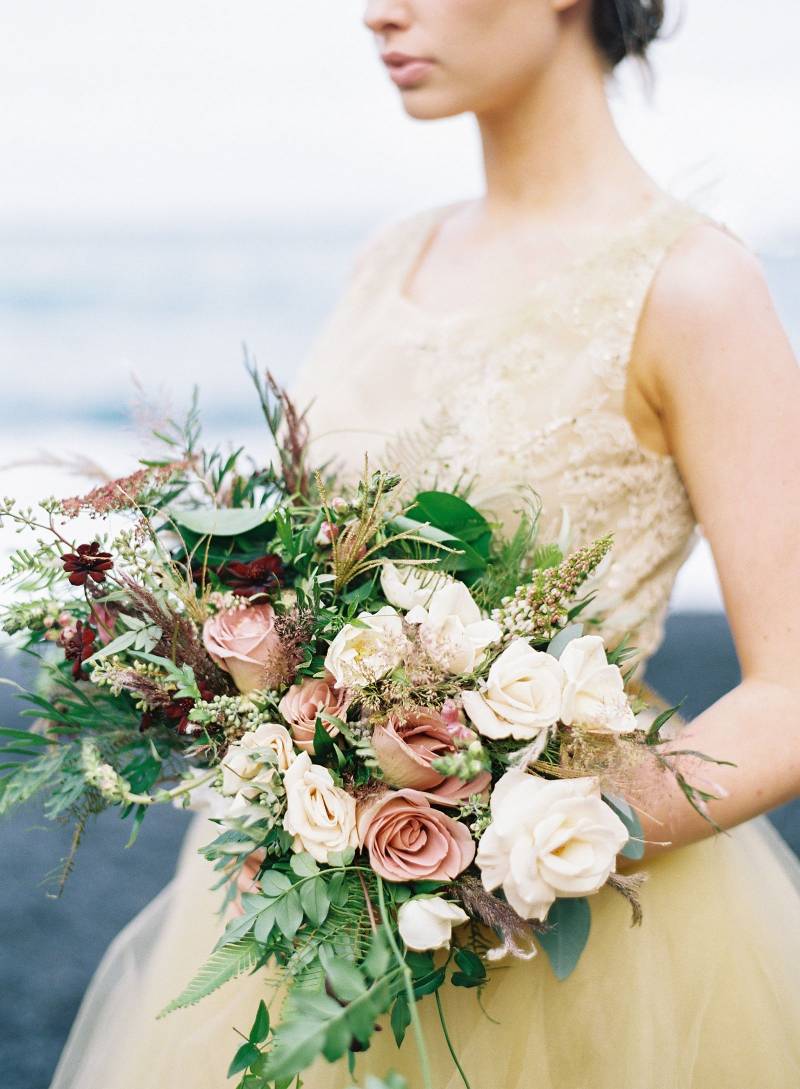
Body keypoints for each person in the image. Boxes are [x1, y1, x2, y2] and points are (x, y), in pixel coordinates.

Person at [50, 2, 800, 1087]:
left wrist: (518, 830)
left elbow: (788, 692)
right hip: (315, 924)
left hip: (571, 942)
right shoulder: (388, 258)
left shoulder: (691, 287)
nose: (378, 12)